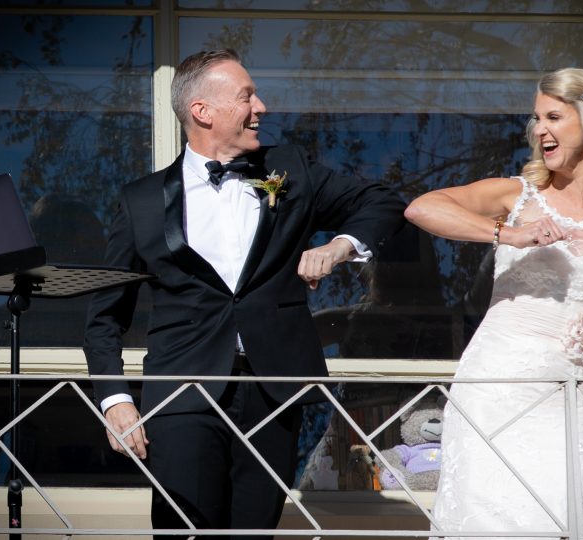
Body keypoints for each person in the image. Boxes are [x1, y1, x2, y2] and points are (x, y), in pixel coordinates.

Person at [83, 49, 405, 537]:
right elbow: (104, 317)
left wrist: (340, 247)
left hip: (271, 390)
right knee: (184, 528)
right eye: (247, 96)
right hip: (181, 393)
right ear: (202, 111)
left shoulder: (290, 168)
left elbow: (383, 201)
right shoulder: (141, 201)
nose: (263, 107)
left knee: (255, 529)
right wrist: (114, 400)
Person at [404, 67, 583, 538]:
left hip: (570, 393)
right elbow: (421, 208)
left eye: (554, 117)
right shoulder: (516, 197)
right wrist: (511, 234)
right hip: (495, 385)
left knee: (556, 519)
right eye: (536, 118)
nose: (540, 129)